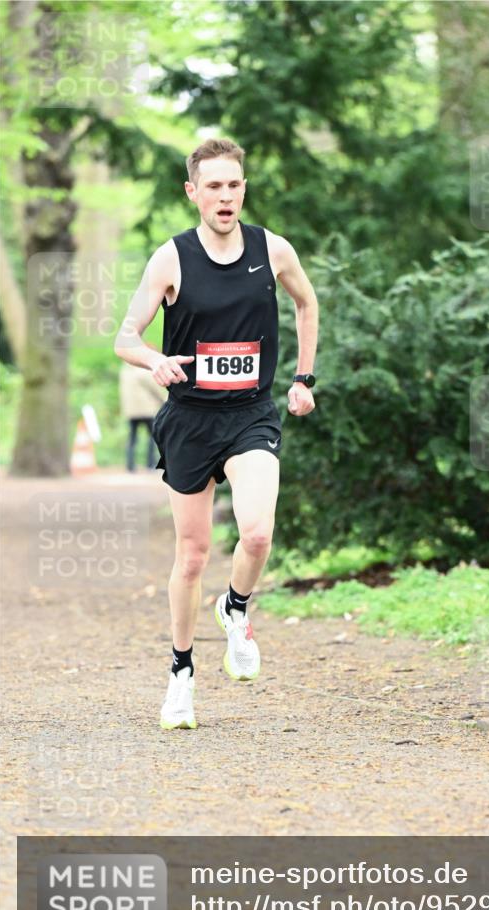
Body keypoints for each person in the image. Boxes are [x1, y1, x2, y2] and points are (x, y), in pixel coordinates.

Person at [114, 138, 318, 730]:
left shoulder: (272, 249)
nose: (225, 197)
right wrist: (151, 359)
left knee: (255, 535)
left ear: (243, 189)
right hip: (189, 419)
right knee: (193, 553)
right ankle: (181, 674)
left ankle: (236, 608)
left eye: (234, 185)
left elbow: (307, 305)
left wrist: (303, 377)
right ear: (193, 192)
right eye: (213, 187)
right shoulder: (171, 259)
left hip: (250, 413)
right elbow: (125, 337)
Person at [118, 347, 167, 471]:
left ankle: (130, 466)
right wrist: (164, 399)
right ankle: (150, 464)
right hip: (147, 409)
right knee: (152, 437)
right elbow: (155, 388)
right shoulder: (144, 371)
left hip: (131, 411)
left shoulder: (124, 371)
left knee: (132, 438)